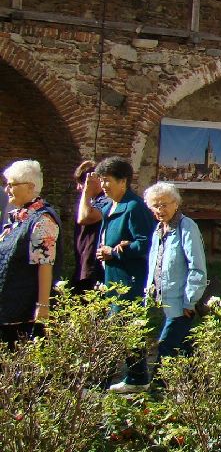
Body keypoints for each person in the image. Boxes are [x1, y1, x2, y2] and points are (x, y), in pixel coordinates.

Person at [110, 183, 208, 393]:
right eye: (155, 206)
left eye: (165, 204)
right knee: (182, 346)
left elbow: (197, 267)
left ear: (176, 204)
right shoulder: (158, 230)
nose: (160, 210)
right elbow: (156, 263)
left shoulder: (186, 226)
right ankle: (197, 390)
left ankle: (158, 391)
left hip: (180, 301)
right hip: (156, 300)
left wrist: (190, 300)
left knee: (166, 348)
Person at [88, 156, 155, 390]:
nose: (103, 186)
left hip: (129, 278)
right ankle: (134, 377)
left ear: (123, 181)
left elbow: (146, 243)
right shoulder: (110, 205)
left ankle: (127, 378)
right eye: (101, 181)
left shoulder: (134, 207)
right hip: (112, 277)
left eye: (107, 181)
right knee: (118, 328)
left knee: (125, 327)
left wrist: (114, 253)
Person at [0, 160, 59, 349]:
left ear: (30, 187)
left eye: (12, 184)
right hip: (7, 304)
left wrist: (42, 307)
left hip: (21, 308)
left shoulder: (42, 219)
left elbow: (45, 264)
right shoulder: (19, 217)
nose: (7, 189)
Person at [72, 160, 106, 294]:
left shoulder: (106, 200)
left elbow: (84, 218)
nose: (79, 188)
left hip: (94, 268)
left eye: (81, 183)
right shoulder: (90, 202)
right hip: (82, 265)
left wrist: (87, 192)